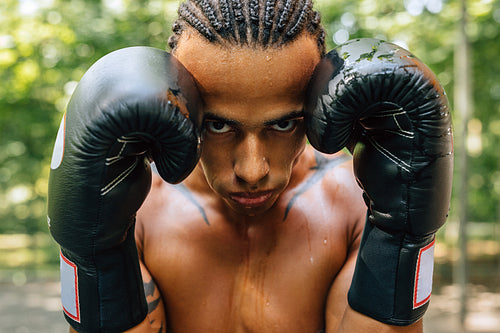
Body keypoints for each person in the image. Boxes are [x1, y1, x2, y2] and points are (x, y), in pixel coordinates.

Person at [47, 0, 453, 332]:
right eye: (219, 125)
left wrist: (402, 236)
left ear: (315, 107)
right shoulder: (138, 214)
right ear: (181, 105)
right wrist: (94, 256)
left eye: (283, 123)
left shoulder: (354, 206)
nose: (253, 170)